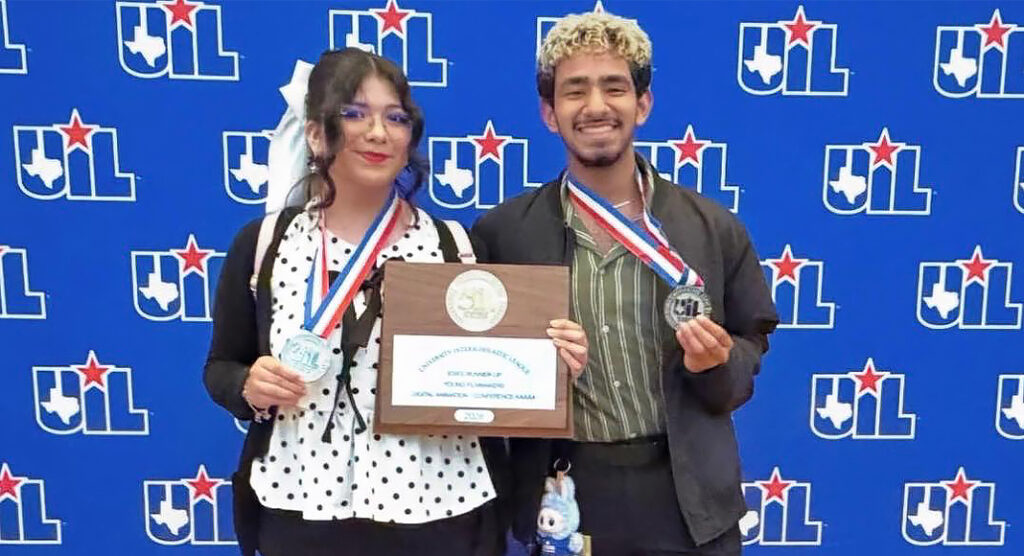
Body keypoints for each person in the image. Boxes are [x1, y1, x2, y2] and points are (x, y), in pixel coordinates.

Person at [203, 48, 589, 556]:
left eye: (396, 118)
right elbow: (221, 367)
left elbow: (498, 377)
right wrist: (248, 385)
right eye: (355, 114)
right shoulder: (266, 244)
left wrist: (554, 363)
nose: (378, 133)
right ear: (316, 133)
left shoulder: (456, 247)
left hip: (443, 509)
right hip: (301, 505)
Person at [470, 12, 779, 556]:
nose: (595, 106)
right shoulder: (503, 234)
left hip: (689, 498)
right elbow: (478, 367)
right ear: (549, 113)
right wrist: (532, 369)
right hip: (567, 493)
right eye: (575, 91)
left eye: (614, 87)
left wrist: (716, 364)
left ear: (643, 103)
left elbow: (748, 351)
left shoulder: (712, 228)